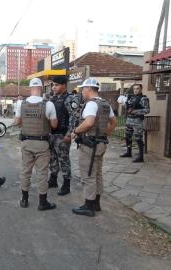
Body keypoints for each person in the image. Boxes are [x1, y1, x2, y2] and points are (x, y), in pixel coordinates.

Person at [71, 78, 117, 217]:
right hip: (101, 143)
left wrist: (76, 131)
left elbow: (89, 122)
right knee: (97, 174)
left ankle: (88, 206)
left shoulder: (91, 104)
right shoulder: (105, 104)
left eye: (83, 89)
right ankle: (96, 203)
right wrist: (104, 134)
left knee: (88, 175)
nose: (82, 92)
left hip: (89, 145)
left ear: (89, 89)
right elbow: (113, 122)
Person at [14, 78, 58, 211]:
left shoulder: (21, 103)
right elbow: (54, 125)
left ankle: (24, 200)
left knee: (25, 171)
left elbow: (16, 122)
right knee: (42, 173)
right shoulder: (49, 104)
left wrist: (24, 122)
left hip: (26, 142)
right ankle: (42, 203)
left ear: (30, 88)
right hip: (41, 143)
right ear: (41, 88)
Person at [48, 75, 80, 196]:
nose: (53, 87)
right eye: (53, 85)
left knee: (64, 159)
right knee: (52, 158)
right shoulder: (53, 99)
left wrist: (69, 134)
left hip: (62, 135)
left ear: (64, 86)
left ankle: (66, 184)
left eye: (56, 85)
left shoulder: (70, 99)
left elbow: (74, 117)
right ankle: (53, 179)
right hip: (52, 134)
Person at [120, 84, 150, 162]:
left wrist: (135, 111)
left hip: (137, 121)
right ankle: (128, 152)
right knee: (128, 137)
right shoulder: (131, 98)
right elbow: (128, 107)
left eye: (137, 88)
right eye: (134, 89)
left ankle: (141, 156)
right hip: (129, 120)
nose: (135, 90)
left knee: (138, 138)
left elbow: (147, 110)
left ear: (141, 89)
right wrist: (124, 103)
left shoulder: (143, 99)